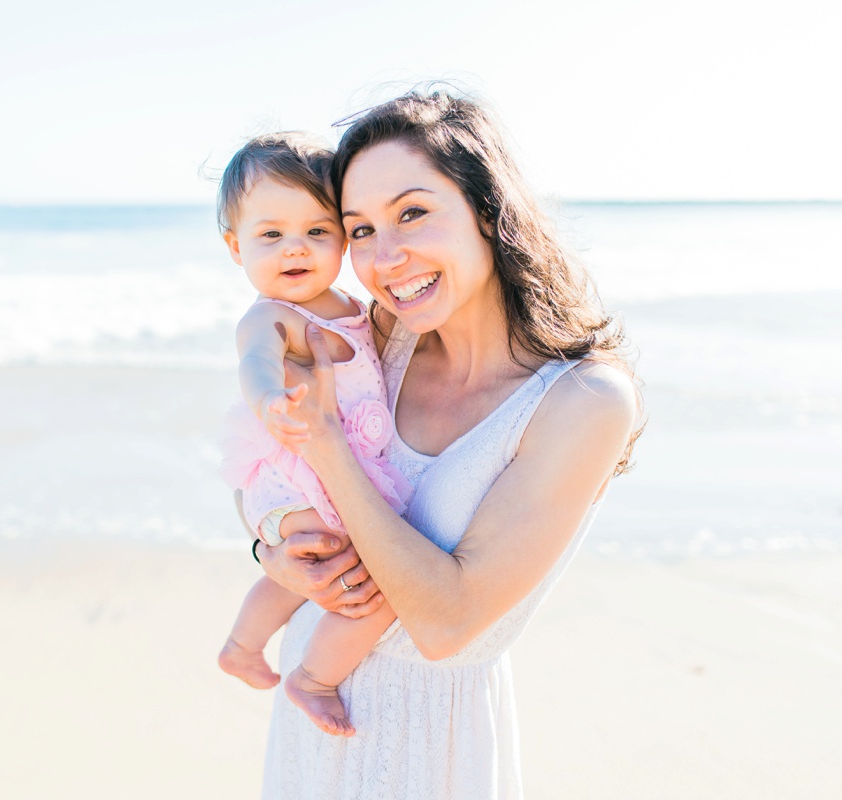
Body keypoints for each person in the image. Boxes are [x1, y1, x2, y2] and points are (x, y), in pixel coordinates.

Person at [251, 90, 643, 799]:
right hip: (310, 724)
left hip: (430, 745)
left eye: (412, 212)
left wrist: (329, 444)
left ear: (487, 213)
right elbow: (264, 451)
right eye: (359, 229)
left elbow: (446, 621)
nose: (386, 256)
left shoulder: (581, 401)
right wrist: (271, 544)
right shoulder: (377, 341)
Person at [214, 132, 413, 736]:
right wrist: (270, 399)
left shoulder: (353, 308)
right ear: (235, 246)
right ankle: (311, 677)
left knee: (316, 571)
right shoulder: (271, 316)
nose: (294, 249)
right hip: (294, 476)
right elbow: (254, 362)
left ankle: (242, 647)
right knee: (356, 578)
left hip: (341, 474)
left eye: (317, 231)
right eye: (271, 235)